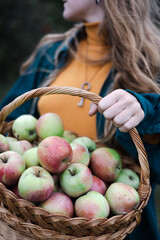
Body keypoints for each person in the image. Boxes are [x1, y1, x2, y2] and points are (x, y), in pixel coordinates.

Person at [0, 0, 160, 239]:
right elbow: (9, 122)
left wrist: (147, 109)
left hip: (112, 229)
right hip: (36, 225)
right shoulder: (51, 53)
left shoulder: (151, 61)